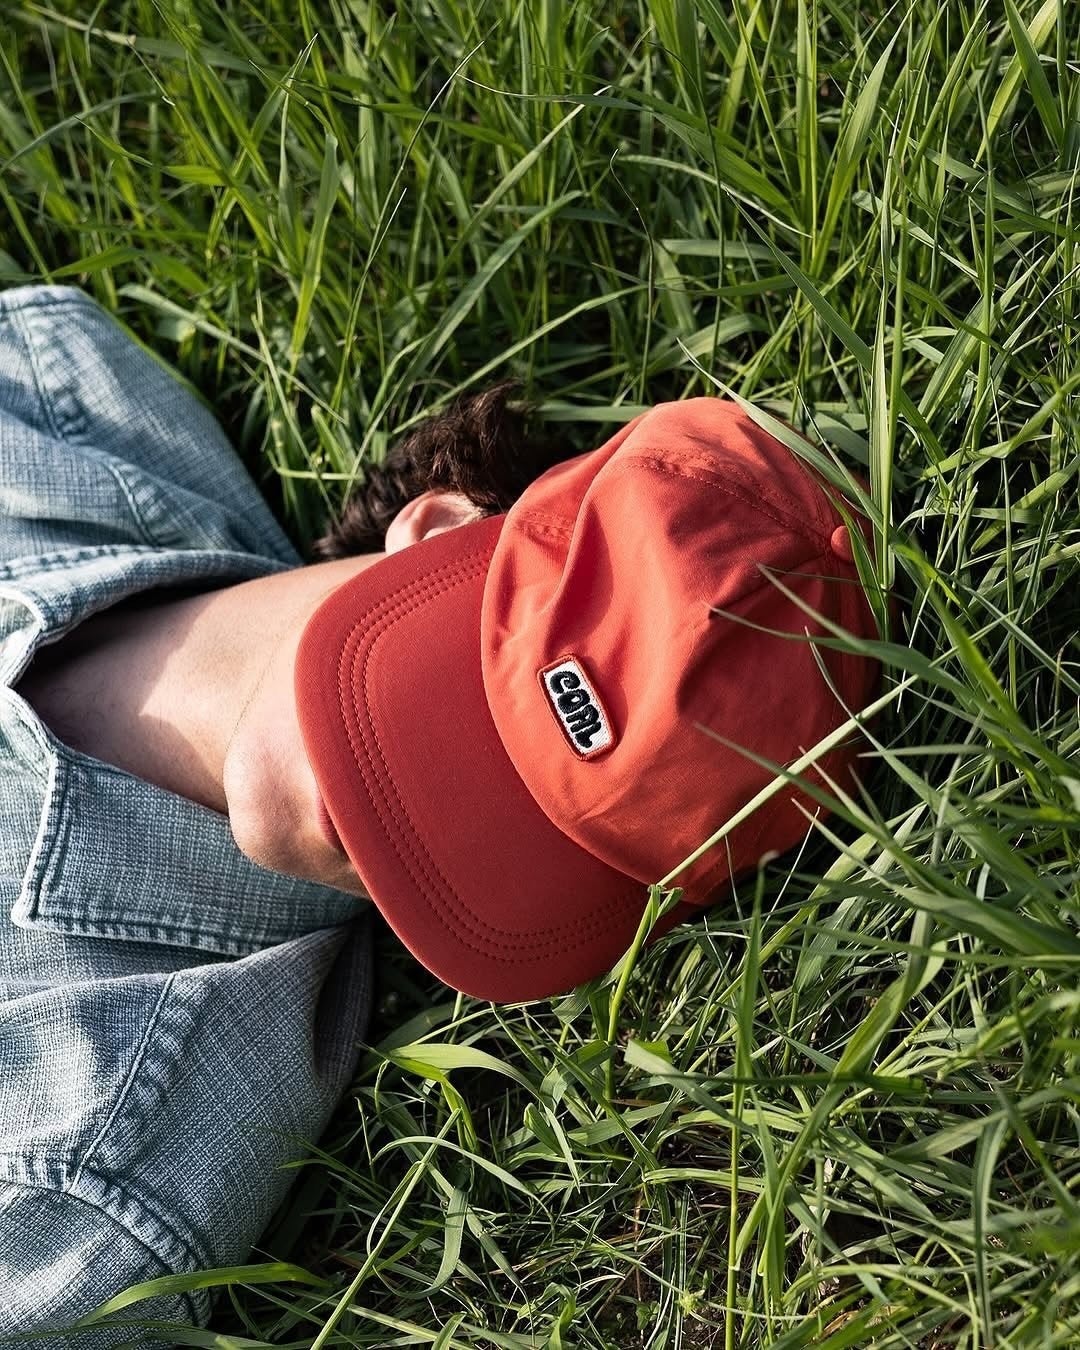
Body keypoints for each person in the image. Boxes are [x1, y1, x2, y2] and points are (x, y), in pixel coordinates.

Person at [0, 284, 879, 1341]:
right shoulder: (49, 398)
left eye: (532, 832)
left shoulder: (79, 1179)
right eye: (472, 712)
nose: (405, 830)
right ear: (439, 524)